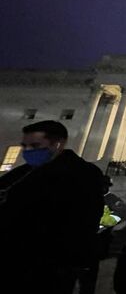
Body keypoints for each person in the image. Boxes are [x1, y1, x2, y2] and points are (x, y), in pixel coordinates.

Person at [0, 120, 104, 294]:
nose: (28, 151)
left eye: (35, 145)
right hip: (10, 260)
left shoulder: (82, 174)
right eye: (24, 146)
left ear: (57, 144)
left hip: (48, 265)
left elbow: (84, 220)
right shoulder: (22, 173)